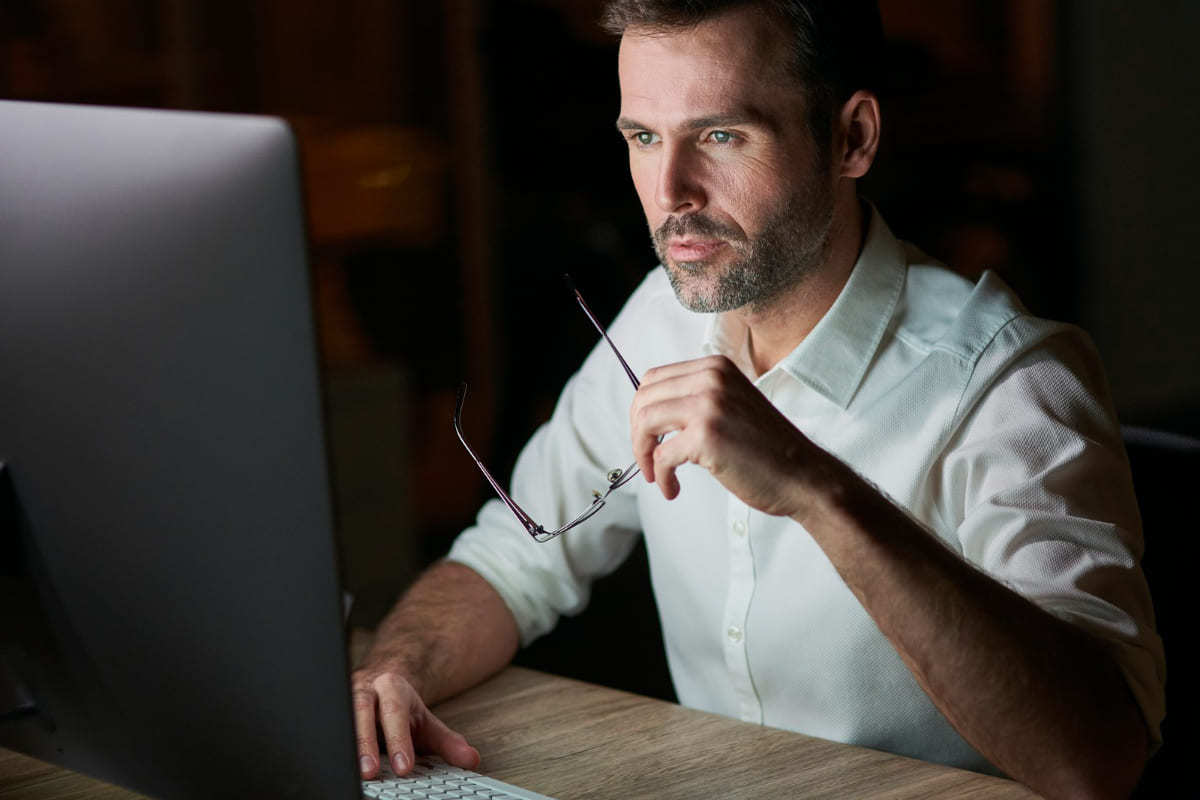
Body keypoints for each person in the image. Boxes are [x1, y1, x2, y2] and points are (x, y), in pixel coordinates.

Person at [352, 2, 1165, 798]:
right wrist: (395, 673)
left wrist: (814, 487)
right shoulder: (657, 320)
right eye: (644, 138)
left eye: (721, 136)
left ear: (852, 139)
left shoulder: (1006, 379)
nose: (670, 192)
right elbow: (509, 560)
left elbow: (1098, 762)